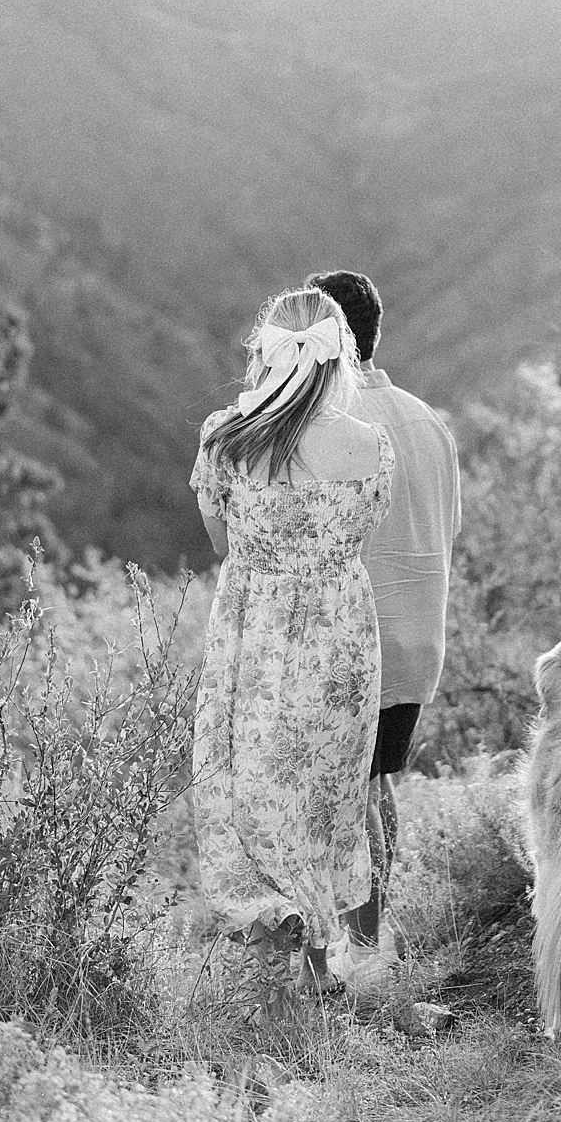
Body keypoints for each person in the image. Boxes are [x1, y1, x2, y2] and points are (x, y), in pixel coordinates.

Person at [189, 285, 393, 1009]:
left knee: (259, 784)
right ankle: (328, 952)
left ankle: (297, 941)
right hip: (340, 634)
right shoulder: (370, 446)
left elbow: (220, 543)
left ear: (266, 353)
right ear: (340, 355)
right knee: (330, 790)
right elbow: (357, 534)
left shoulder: (226, 438)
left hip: (258, 631)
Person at [306, 270, 461, 957]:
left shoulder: (326, 429)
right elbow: (446, 530)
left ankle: (358, 951)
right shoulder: (428, 420)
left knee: (344, 795)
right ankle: (370, 935)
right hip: (418, 640)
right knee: (373, 785)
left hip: (352, 639)